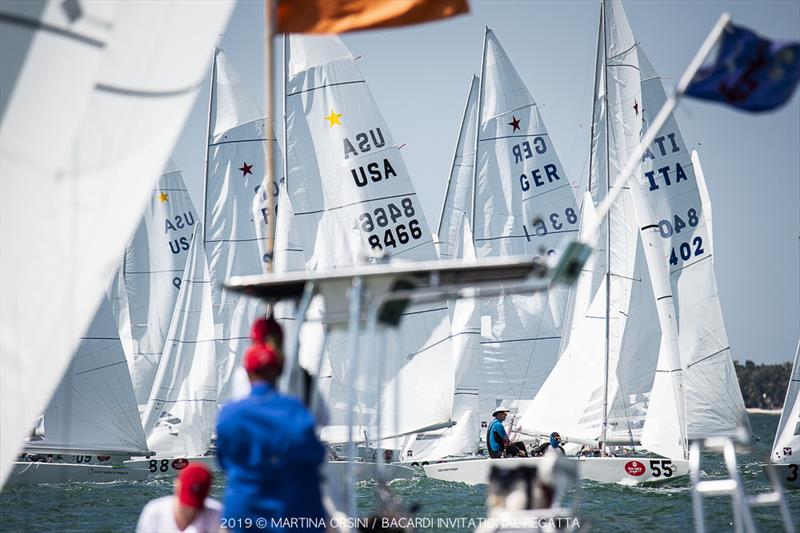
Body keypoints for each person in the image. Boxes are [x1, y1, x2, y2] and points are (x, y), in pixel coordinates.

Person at [216, 336, 327, 532]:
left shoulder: (229, 414)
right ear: (278, 371)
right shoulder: (296, 411)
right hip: (292, 513)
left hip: (243, 512)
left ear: (248, 373)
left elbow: (223, 461)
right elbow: (315, 454)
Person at [136, 462, 220, 533]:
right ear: (176, 487)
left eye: (196, 505)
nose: (191, 510)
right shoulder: (154, 512)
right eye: (186, 503)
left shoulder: (218, 514)